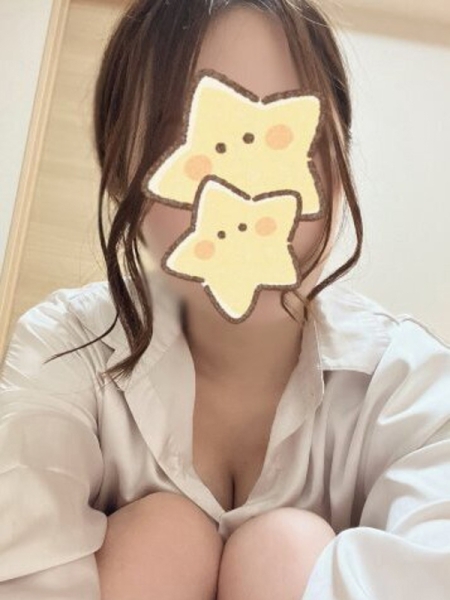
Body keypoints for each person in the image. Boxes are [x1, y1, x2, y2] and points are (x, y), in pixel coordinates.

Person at [1, 1, 449, 599]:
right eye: (201, 144)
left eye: (287, 145)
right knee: (165, 538)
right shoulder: (67, 349)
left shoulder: (406, 383)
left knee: (286, 548)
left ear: (338, 165)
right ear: (121, 170)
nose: (246, 197)